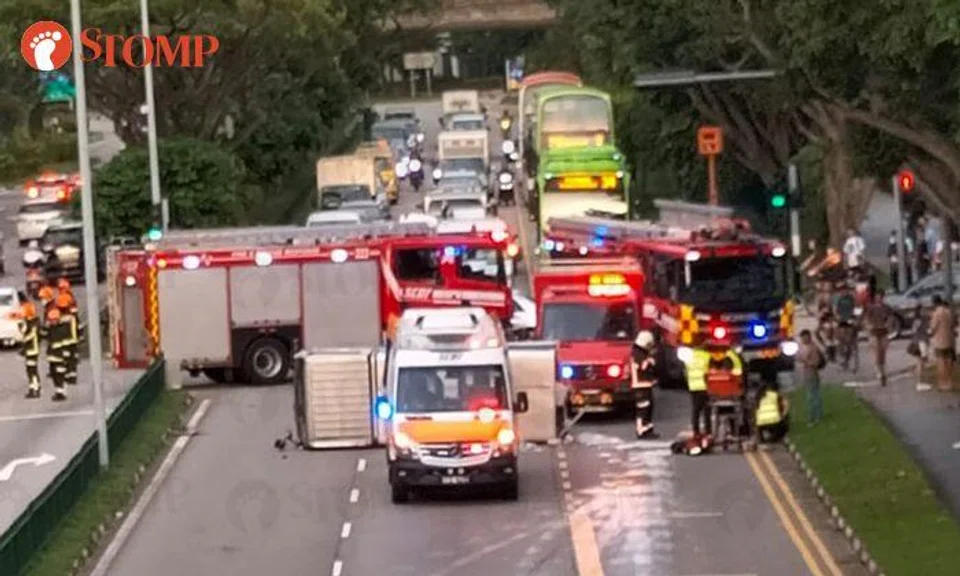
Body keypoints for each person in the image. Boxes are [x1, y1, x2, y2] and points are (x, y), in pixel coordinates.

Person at [630, 330, 659, 439]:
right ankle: (641, 430)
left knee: (649, 407)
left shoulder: (640, 352)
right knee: (643, 408)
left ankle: (648, 428)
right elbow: (642, 366)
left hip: (645, 384)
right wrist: (650, 361)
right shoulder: (637, 354)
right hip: (640, 385)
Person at [13, 294, 42, 399]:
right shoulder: (30, 322)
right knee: (30, 369)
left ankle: (35, 389)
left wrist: (24, 346)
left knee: (32, 370)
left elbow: (30, 336)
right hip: (30, 349)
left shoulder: (33, 323)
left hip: (32, 350)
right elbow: (25, 332)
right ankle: (33, 387)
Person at [863, 291, 893, 385]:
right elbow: (866, 319)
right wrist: (868, 326)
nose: (879, 299)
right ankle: (879, 371)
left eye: (880, 297)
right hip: (874, 332)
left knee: (883, 351)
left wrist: (888, 324)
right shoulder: (870, 308)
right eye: (877, 297)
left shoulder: (886, 307)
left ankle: (883, 369)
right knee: (876, 351)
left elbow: (890, 317)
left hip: (883, 331)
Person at [928, 295, 956, 392]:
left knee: (941, 362)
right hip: (950, 340)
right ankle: (950, 382)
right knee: (949, 362)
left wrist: (930, 333)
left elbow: (933, 328)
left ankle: (942, 383)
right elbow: (953, 325)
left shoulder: (936, 313)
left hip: (940, 342)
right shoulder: (949, 312)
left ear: (935, 303)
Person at [40, 307, 68, 401]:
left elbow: (65, 343)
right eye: (50, 320)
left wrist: (66, 356)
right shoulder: (50, 328)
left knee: (59, 374)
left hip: (60, 356)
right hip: (52, 356)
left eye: (53, 320)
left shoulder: (63, 329)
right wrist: (45, 327)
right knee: (54, 374)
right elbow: (43, 336)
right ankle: (58, 391)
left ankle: (61, 392)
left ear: (58, 319)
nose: (51, 322)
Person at [797, 329, 824, 425]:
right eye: (802, 338)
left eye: (804, 337)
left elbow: (816, 362)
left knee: (812, 397)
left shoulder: (813, 348)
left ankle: (814, 416)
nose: (803, 340)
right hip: (807, 374)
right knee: (813, 395)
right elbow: (798, 357)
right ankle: (817, 415)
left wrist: (806, 362)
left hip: (812, 374)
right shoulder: (804, 347)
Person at [56, 293, 83, 386]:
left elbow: (59, 332)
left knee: (66, 359)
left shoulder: (60, 318)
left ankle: (67, 376)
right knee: (72, 359)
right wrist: (80, 336)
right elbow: (78, 327)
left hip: (65, 342)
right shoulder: (73, 317)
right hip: (73, 341)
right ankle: (73, 377)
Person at [754, 373, 789, 443]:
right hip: (774, 422)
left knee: (758, 420)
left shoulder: (759, 396)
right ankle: (773, 438)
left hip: (761, 423)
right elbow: (785, 407)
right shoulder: (776, 396)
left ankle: (761, 439)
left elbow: (755, 410)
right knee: (784, 426)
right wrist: (783, 416)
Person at [907, 304, 930, 391]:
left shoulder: (922, 320)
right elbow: (914, 331)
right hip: (920, 342)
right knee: (921, 362)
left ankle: (921, 381)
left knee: (921, 362)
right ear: (919, 311)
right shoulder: (919, 321)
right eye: (923, 310)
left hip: (921, 341)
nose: (925, 311)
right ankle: (919, 383)